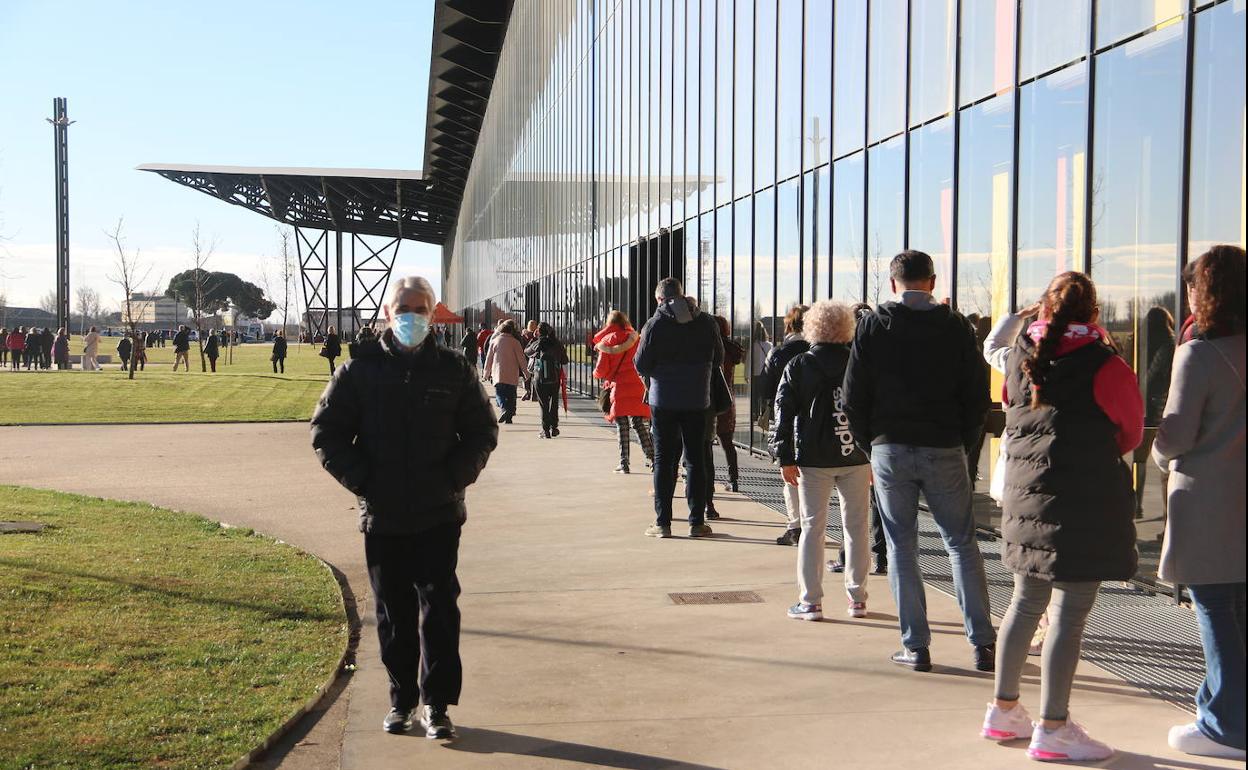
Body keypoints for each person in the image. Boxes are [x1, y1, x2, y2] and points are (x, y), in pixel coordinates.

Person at [311, 276, 498, 740]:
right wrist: (364, 482)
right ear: (388, 313)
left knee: (439, 609)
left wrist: (456, 477)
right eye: (402, 307)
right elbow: (326, 432)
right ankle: (402, 702)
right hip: (384, 513)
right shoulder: (359, 371)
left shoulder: (454, 369)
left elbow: (481, 431)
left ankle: (436, 704)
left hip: (439, 512)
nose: (410, 315)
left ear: (433, 315)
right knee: (393, 615)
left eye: (420, 308)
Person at [980, 271, 1142, 762]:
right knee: (1069, 617)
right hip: (1084, 503)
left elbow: (1015, 411)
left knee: (1024, 604)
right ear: (1093, 314)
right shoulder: (1107, 365)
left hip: (1025, 501)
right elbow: (1130, 433)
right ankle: (1053, 726)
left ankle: (1003, 711)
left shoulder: (1018, 359)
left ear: (1043, 310)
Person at [843, 249, 995, 673]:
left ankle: (917, 646)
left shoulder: (873, 326)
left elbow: (853, 395)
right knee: (961, 545)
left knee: (901, 547)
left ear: (893, 284)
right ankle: (982, 643)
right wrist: (963, 443)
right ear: (932, 281)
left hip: (890, 448)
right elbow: (976, 396)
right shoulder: (955, 327)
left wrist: (868, 446)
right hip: (944, 444)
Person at [1151, 245, 1246, 761]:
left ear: (1205, 292)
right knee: (1238, 611)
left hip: (1208, 499)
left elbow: (1175, 436)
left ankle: (1226, 726)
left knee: (1213, 607)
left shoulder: (1198, 354)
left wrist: (1159, 455)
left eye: (1192, 285)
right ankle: (1217, 708)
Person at [772, 301, 873, 622]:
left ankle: (810, 601)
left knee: (813, 528)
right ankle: (857, 598)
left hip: (813, 458)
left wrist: (784, 456)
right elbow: (873, 410)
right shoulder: (859, 363)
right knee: (857, 528)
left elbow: (783, 412)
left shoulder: (801, 364)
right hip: (855, 456)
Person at [634, 277, 723, 539]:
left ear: (660, 299)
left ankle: (663, 522)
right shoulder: (706, 322)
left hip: (663, 400)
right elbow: (718, 357)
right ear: (682, 295)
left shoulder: (655, 324)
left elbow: (640, 364)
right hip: (697, 400)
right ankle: (697, 522)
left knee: (664, 459)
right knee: (695, 460)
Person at [761, 306, 810, 544]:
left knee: (790, 478)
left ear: (788, 325)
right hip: (814, 423)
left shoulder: (780, 353)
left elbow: (767, 390)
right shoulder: (818, 351)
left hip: (786, 421)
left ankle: (795, 527)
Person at [593, 311, 655, 474]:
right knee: (638, 422)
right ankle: (652, 458)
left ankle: (624, 462)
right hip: (638, 385)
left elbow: (600, 370)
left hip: (619, 387)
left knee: (622, 425)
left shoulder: (607, 342)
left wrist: (598, 375)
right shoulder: (635, 338)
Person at [707, 315, 744, 515]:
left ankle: (709, 485)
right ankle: (734, 479)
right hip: (728, 399)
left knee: (707, 445)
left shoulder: (709, 346)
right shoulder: (731, 349)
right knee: (727, 443)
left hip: (711, 399)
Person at [525, 322, 567, 438]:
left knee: (544, 404)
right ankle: (554, 428)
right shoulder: (557, 344)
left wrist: (533, 338)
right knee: (554, 403)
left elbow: (526, 351)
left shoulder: (537, 343)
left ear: (539, 331)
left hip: (540, 377)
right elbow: (564, 360)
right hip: (554, 377)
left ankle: (545, 430)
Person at [484, 319, 528, 423]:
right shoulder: (516, 342)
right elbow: (521, 359)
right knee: (512, 395)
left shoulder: (495, 341)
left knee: (500, 394)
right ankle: (509, 415)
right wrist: (527, 373)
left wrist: (486, 373)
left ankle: (504, 408)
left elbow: (489, 358)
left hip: (498, 373)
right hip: (512, 374)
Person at [750, 320, 774, 430]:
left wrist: (747, 375)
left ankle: (754, 414)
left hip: (755, 374)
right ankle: (763, 414)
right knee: (764, 396)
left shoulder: (754, 345)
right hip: (766, 374)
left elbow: (749, 361)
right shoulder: (769, 345)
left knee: (755, 396)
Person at [521, 320, 540, 401]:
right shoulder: (537, 336)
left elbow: (523, 348)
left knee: (526, 377)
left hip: (526, 359)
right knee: (534, 377)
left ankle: (528, 391)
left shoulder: (524, 336)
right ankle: (533, 394)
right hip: (534, 359)